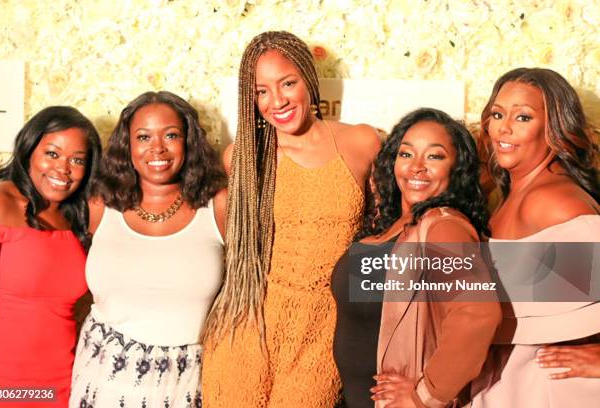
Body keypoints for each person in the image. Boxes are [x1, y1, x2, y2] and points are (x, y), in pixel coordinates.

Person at [201, 31, 381, 407]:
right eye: (261, 91)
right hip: (250, 317)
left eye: (287, 83)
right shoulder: (242, 158)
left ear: (309, 80)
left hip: (324, 325)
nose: (277, 101)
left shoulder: (362, 143)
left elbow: (390, 232)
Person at [332, 108, 501, 408]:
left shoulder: (444, 226)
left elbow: (478, 313)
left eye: (434, 156)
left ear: (457, 168)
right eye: (406, 154)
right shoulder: (389, 227)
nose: (416, 167)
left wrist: (424, 396)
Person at [69, 91, 227, 407]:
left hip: (185, 381)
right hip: (101, 377)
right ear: (128, 145)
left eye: (171, 135)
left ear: (189, 142)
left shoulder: (219, 205)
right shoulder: (100, 204)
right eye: (143, 136)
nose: (157, 148)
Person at [471, 68, 600, 407]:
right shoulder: (510, 197)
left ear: (555, 128)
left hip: (547, 390)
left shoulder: (553, 202)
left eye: (523, 117)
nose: (504, 127)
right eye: (497, 114)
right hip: (508, 383)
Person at [0, 106, 101, 407]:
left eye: (77, 160)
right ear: (28, 148)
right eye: (52, 153)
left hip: (64, 386)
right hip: (1, 387)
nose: (63, 169)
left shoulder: (76, 216)